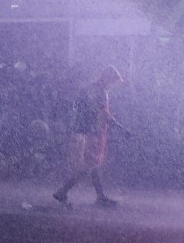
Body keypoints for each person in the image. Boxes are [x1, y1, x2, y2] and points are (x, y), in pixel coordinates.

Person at [53, 65, 128, 207]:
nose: (112, 85)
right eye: (112, 81)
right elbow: (104, 114)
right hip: (94, 132)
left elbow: (80, 108)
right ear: (108, 79)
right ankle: (63, 191)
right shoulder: (101, 92)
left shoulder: (90, 88)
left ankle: (99, 196)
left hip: (85, 131)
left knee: (93, 166)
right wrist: (121, 128)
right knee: (89, 166)